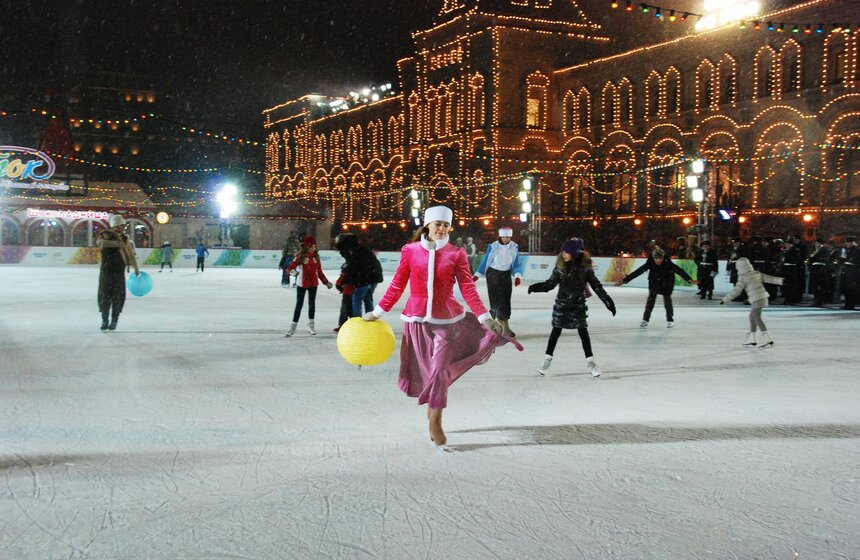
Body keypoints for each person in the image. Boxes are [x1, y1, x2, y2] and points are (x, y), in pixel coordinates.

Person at [362, 206, 522, 447]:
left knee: (439, 369)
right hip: (416, 321)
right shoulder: (410, 251)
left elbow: (468, 288)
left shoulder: (456, 253)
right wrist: (377, 313)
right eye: (437, 224)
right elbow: (397, 285)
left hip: (447, 321)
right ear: (427, 225)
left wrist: (485, 317)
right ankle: (433, 405)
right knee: (427, 371)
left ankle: (436, 417)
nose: (442, 229)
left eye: (446, 225)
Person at [527, 238, 616, 377]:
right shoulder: (560, 268)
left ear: (574, 253)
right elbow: (549, 285)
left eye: (567, 252)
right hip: (562, 305)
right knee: (555, 332)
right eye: (563, 251)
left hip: (577, 306)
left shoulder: (585, 269)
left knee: (583, 333)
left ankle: (591, 363)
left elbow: (597, 286)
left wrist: (608, 302)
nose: (564, 254)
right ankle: (546, 361)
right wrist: (535, 287)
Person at [616, 248, 697, 328]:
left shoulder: (668, 263)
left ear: (663, 257)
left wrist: (689, 279)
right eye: (656, 258)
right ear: (653, 257)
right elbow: (638, 271)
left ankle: (670, 320)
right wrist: (625, 280)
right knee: (651, 300)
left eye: (660, 258)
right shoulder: (650, 262)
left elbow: (679, 270)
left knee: (667, 300)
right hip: (654, 281)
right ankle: (645, 319)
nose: (658, 261)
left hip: (667, 281)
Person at [720, 257, 783, 348]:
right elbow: (769, 278)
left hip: (756, 298)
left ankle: (767, 338)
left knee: (756, 317)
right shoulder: (756, 273)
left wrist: (725, 299)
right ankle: (752, 337)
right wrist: (781, 281)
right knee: (752, 316)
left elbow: (737, 290)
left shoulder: (743, 277)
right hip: (762, 297)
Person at [473, 226, 524, 337]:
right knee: (497, 301)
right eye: (503, 236)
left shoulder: (514, 247)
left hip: (505, 275)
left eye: (507, 237)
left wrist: (517, 276)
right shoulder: (493, 246)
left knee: (505, 300)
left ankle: (505, 327)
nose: (505, 239)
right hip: (493, 274)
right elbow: (486, 260)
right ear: (500, 236)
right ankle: (499, 327)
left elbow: (516, 263)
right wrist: (478, 274)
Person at [96, 215, 140, 331]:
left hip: (119, 271)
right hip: (106, 270)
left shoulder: (125, 238)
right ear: (115, 225)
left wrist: (136, 267)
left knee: (118, 296)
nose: (123, 227)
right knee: (105, 296)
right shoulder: (104, 235)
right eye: (121, 225)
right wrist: (117, 243)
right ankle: (105, 319)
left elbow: (130, 254)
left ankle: (114, 320)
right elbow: (101, 243)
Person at [285, 235, 332, 336]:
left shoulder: (316, 257)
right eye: (311, 246)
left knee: (312, 305)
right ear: (307, 246)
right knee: (299, 305)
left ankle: (311, 326)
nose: (313, 248)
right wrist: (292, 272)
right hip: (301, 283)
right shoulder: (300, 256)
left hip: (313, 283)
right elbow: (289, 268)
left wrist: (326, 282)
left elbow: (319, 272)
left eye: (314, 246)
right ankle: (293, 327)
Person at [335, 232, 383, 318]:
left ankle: (357, 322)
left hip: (365, 276)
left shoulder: (349, 249)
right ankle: (371, 321)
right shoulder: (357, 246)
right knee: (368, 299)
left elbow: (352, 266)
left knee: (357, 299)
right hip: (374, 275)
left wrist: (344, 280)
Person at [839, 236, 859, 310]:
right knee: (845, 289)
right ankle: (847, 303)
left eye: (848, 242)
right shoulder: (846, 251)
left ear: (852, 243)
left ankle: (851, 304)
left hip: (853, 273)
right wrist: (842, 257)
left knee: (851, 290)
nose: (846, 244)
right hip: (847, 272)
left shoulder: (856, 250)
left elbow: (856, 261)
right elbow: (841, 261)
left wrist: (851, 263)